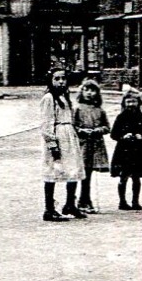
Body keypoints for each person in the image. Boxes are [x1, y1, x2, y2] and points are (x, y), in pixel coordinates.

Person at [39, 69, 86, 222]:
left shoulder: (64, 97)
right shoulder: (49, 98)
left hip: (69, 136)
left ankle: (70, 204)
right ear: (50, 81)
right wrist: (53, 145)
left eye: (63, 78)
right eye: (57, 79)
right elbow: (46, 124)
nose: (61, 82)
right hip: (58, 136)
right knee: (53, 171)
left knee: (73, 169)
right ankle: (49, 209)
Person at [110, 86, 142, 210]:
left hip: (139, 152)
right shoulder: (120, 117)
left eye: (134, 101)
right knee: (123, 177)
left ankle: (135, 201)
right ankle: (122, 201)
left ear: (139, 103)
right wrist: (123, 136)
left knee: (136, 177)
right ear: (124, 103)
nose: (131, 104)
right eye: (128, 102)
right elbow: (113, 134)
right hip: (123, 152)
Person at [73, 78, 111, 212]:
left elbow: (107, 127)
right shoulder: (77, 109)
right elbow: (72, 127)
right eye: (86, 90)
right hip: (82, 145)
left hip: (95, 145)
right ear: (81, 92)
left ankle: (86, 199)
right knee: (81, 172)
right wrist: (82, 131)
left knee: (89, 173)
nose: (89, 93)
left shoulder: (99, 110)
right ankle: (79, 200)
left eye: (93, 90)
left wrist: (98, 130)